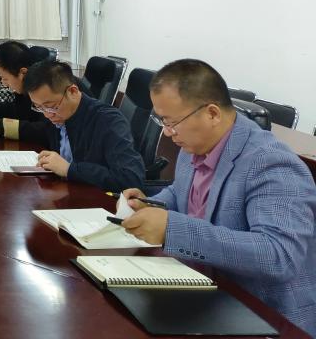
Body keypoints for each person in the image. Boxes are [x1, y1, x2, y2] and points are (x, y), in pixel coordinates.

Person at [121, 59, 315, 336]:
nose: (167, 132)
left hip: (262, 316)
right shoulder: (193, 145)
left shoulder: (271, 163)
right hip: (201, 293)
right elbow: (181, 193)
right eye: (162, 121)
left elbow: (279, 255)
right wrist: (151, 203)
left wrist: (173, 229)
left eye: (172, 122)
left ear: (212, 113)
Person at [23, 60, 145, 191]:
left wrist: (69, 169)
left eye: (51, 107)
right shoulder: (57, 113)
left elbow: (131, 179)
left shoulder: (108, 121)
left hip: (100, 199)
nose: (47, 115)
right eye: (39, 107)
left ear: (73, 91)